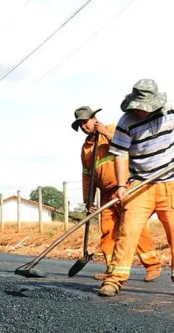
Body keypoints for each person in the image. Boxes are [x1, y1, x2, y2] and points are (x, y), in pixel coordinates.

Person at [98, 79, 173, 297]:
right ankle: (114, 279)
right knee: (128, 230)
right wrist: (122, 185)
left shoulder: (171, 112)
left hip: (170, 182)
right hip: (140, 184)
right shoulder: (126, 121)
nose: (140, 111)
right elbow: (120, 154)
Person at [72, 105, 161, 281]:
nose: (83, 126)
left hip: (125, 187)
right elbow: (87, 177)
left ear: (94, 119)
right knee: (108, 231)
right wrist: (88, 201)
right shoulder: (86, 148)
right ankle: (112, 269)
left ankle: (152, 265)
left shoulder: (113, 129)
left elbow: (128, 148)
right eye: (80, 124)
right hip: (105, 195)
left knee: (132, 227)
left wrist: (105, 132)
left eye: (85, 122)